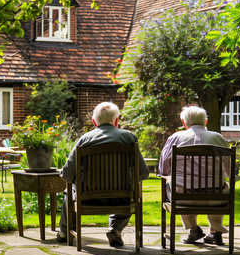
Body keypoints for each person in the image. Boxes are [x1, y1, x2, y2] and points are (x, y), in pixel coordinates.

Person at [57, 102, 150, 246]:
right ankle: (115, 228)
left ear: (94, 122)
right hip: (122, 198)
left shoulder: (84, 140)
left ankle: (64, 231)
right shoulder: (130, 138)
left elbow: (67, 174)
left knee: (68, 192)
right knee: (132, 191)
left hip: (88, 198)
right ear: (117, 121)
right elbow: (143, 173)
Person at [158, 106, 230, 246]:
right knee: (223, 186)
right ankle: (215, 232)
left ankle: (193, 229)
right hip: (216, 198)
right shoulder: (218, 138)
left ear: (184, 123)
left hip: (183, 199)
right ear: (206, 122)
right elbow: (228, 171)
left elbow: (163, 169)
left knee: (174, 185)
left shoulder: (175, 138)